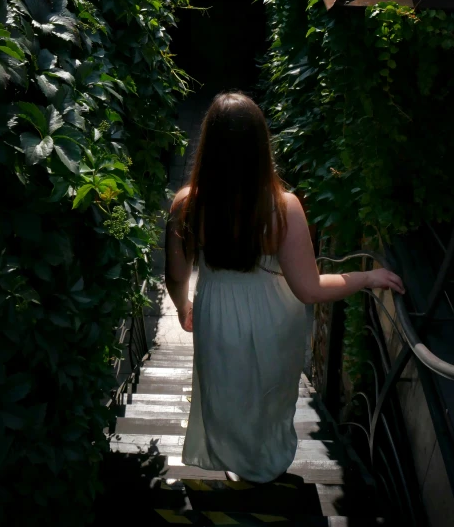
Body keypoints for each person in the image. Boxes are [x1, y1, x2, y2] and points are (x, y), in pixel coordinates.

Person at [165, 92, 404, 484]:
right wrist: (365, 277)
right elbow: (309, 289)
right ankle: (264, 464)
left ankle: (233, 459)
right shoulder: (282, 207)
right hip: (273, 318)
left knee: (224, 387)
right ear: (262, 147)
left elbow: (176, 274)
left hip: (218, 316)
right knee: (268, 392)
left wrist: (182, 306)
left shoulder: (186, 205)